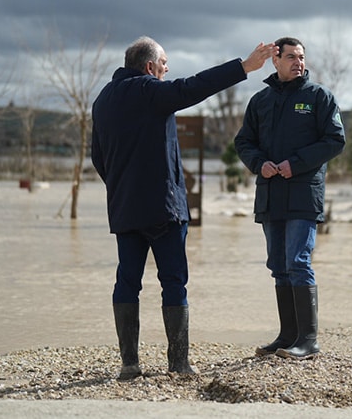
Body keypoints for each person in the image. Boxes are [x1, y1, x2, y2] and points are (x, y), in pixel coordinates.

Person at [91, 36, 276, 379]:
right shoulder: (149, 90)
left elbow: (98, 157)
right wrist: (244, 67)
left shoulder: (103, 99)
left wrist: (121, 189)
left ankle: (130, 364)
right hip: (164, 209)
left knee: (127, 281)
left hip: (124, 208)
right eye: (164, 64)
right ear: (149, 67)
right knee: (174, 282)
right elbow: (194, 87)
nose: (167, 69)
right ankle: (178, 363)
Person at [234, 36, 346, 360]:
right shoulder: (260, 101)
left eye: (301, 57)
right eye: (291, 57)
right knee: (279, 266)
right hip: (270, 194)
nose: (299, 62)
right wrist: (260, 164)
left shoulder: (319, 97)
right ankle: (287, 336)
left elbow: (335, 140)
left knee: (298, 261)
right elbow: (243, 142)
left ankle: (308, 340)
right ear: (276, 60)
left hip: (303, 193)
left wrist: (294, 164)